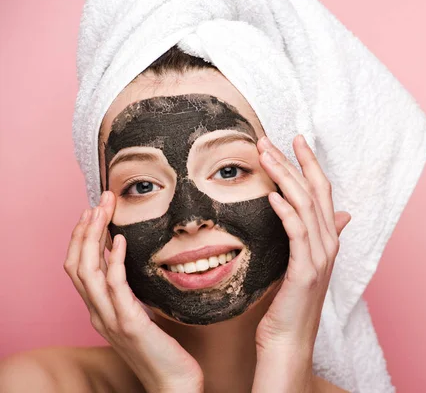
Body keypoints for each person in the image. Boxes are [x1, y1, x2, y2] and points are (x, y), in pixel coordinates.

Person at [0, 46, 352, 392]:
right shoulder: (33, 384)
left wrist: (287, 351)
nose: (190, 218)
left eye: (229, 170)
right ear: (102, 227)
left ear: (301, 198)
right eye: (142, 185)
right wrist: (172, 385)